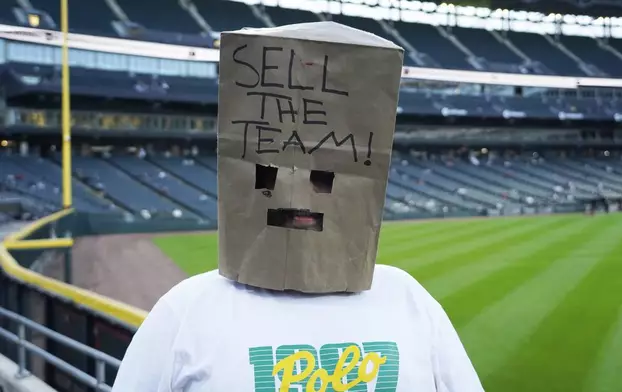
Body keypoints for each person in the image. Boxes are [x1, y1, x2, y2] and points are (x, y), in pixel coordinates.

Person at [112, 21, 484, 392]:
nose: (298, 197)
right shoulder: (186, 311)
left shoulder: (409, 300)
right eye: (268, 175)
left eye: (325, 177)